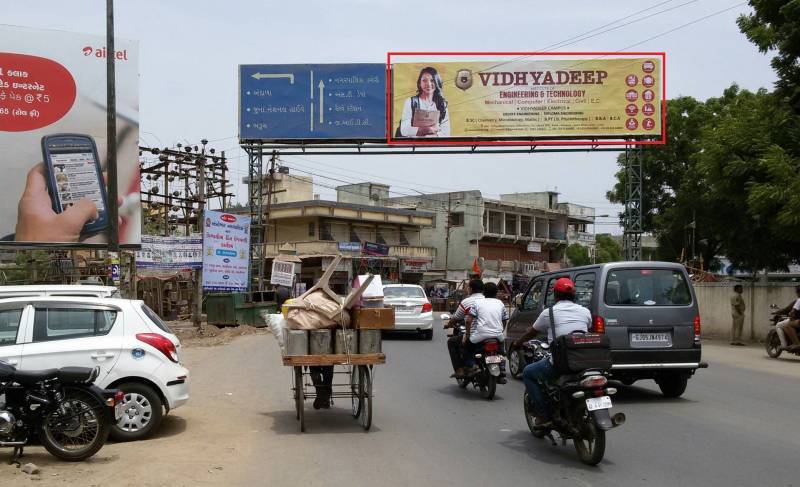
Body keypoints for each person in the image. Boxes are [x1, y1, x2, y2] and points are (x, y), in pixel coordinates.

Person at [511, 277, 590, 427]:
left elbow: (531, 332)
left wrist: (517, 343)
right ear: (574, 295)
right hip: (584, 362)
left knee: (528, 372)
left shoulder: (549, 313)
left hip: (561, 363)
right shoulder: (585, 311)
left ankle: (543, 415)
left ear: (555, 295)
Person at [464, 282, 508, 383]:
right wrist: (501, 331)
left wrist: (468, 335)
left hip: (480, 335)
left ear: (484, 292)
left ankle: (473, 366)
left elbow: (468, 320)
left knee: (467, 347)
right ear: (496, 293)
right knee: (501, 352)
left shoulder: (478, 303)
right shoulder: (500, 303)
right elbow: (504, 320)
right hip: (497, 335)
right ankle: (502, 368)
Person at [444, 279, 484, 378]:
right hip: (494, 334)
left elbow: (457, 318)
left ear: (470, 289)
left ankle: (460, 370)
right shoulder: (488, 300)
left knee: (452, 342)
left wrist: (448, 325)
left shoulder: (467, 301)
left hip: (476, 334)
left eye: (467, 287)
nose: (466, 289)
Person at [398, 67, 451, 138]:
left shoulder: (442, 104)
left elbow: (446, 133)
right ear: (419, 83)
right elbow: (404, 130)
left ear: (437, 82)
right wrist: (429, 130)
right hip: (415, 147)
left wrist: (420, 131)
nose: (428, 84)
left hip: (434, 146)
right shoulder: (410, 102)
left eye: (432, 80)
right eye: (424, 80)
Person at [774, 285, 800, 351]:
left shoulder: (798, 300)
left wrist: (791, 319)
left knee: (782, 325)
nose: (796, 293)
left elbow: (791, 311)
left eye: (797, 292)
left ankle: (786, 345)